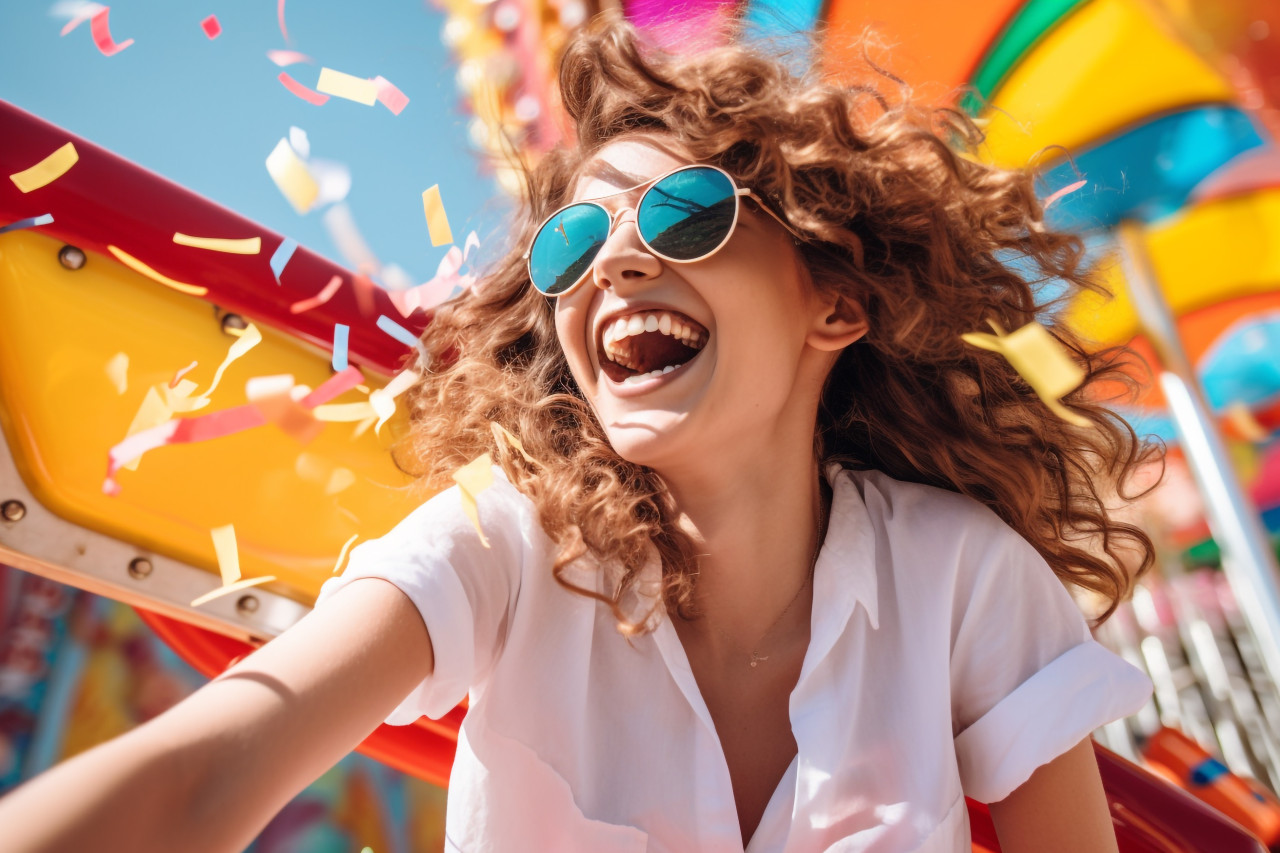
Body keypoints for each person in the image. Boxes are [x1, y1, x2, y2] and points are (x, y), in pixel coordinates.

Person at [0, 14, 1160, 853]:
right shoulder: (504, 543)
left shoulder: (964, 578)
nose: (610, 260)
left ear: (835, 303)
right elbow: (216, 763)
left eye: (685, 212)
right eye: (568, 248)